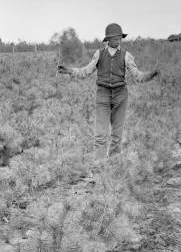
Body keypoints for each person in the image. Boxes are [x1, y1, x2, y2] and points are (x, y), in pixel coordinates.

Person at [58, 23, 159, 158]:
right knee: (100, 135)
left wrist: (151, 75)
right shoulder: (99, 54)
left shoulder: (126, 55)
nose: (118, 40)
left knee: (117, 136)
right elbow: (86, 71)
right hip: (103, 95)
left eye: (119, 38)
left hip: (120, 96)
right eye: (115, 38)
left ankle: (113, 166)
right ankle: (100, 168)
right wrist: (70, 71)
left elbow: (137, 75)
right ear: (108, 40)